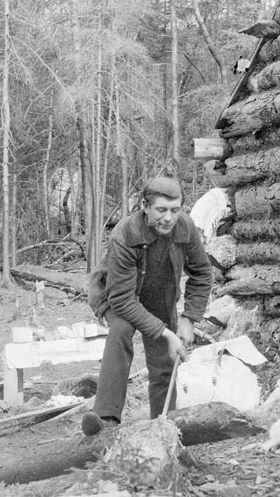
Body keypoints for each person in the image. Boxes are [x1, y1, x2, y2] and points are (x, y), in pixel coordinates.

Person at [81, 176, 212, 435]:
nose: (168, 218)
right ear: (145, 205)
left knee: (165, 357)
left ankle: (163, 424)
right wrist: (165, 332)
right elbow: (122, 300)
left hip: (160, 294)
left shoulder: (185, 228)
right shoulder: (126, 233)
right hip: (118, 296)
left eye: (175, 210)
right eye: (161, 210)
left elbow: (202, 273)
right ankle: (105, 419)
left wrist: (188, 320)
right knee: (120, 333)